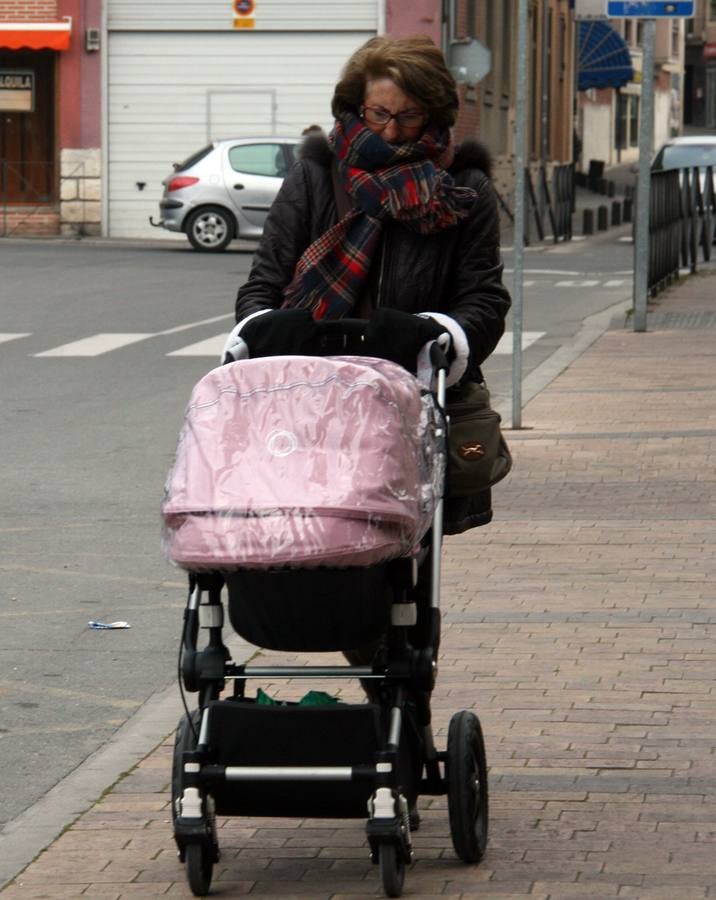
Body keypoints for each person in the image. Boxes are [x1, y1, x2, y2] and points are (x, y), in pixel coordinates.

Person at [224, 34, 511, 536]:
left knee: (399, 557)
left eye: (408, 117)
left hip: (410, 403)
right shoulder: (315, 175)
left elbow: (483, 298)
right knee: (303, 538)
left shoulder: (465, 192)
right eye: (378, 114)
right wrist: (264, 329)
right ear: (356, 105)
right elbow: (264, 281)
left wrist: (440, 333)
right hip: (306, 399)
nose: (391, 131)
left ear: (435, 115)